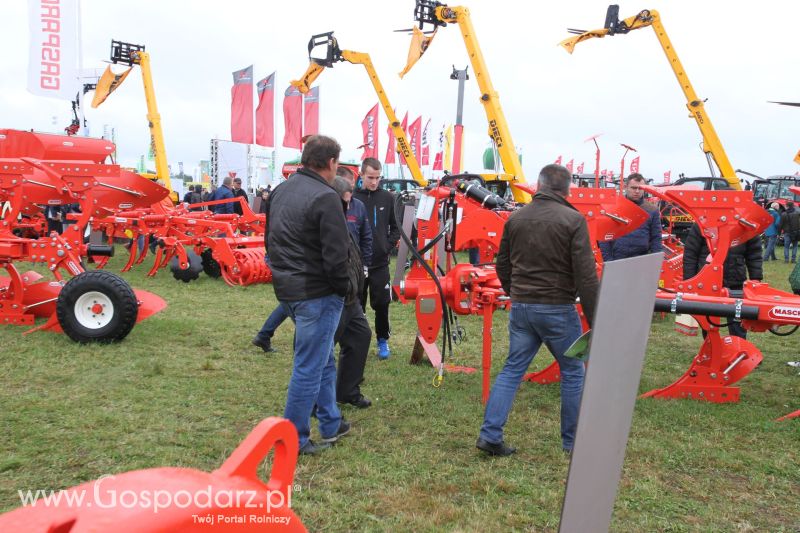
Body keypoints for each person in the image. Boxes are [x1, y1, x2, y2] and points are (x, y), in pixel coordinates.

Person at [477, 164, 599, 457]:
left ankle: (490, 434)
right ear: (567, 189)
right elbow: (586, 276)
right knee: (573, 371)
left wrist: (515, 291)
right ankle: (572, 443)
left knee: (511, 369)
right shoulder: (573, 219)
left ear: (539, 186)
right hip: (557, 308)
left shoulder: (516, 218)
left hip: (521, 307)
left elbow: (502, 265)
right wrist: (597, 320)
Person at [265, 134, 351, 455]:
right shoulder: (326, 197)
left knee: (322, 357)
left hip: (289, 288)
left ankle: (330, 421)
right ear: (330, 163)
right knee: (309, 366)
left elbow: (268, 242)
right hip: (316, 292)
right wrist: (343, 290)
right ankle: (294, 438)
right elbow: (336, 256)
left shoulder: (281, 191)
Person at [331, 175, 373, 408]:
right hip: (334, 295)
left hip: (351, 294)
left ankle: (347, 390)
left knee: (360, 335)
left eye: (349, 201)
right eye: (344, 202)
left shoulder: (354, 210)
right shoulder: (326, 217)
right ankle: (320, 401)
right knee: (325, 350)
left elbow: (362, 241)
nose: (348, 207)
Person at [352, 157, 400, 360]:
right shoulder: (351, 197)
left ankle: (383, 340)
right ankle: (355, 342)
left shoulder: (388, 198)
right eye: (370, 177)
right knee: (356, 304)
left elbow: (396, 228)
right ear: (361, 175)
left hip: (380, 263)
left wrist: (386, 246)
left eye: (378, 178)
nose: (374, 182)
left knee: (382, 304)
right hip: (356, 263)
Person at [683, 222, 762, 339]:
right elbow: (691, 253)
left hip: (735, 280)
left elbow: (754, 254)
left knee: (738, 321)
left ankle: (738, 348)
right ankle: (711, 348)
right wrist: (689, 281)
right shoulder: (703, 222)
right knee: (708, 321)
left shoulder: (745, 223)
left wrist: (756, 279)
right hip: (708, 281)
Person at [599, 173, 663, 261]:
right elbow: (604, 237)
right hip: (617, 258)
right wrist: (608, 260)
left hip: (642, 259)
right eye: (633, 188)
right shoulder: (613, 208)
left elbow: (656, 238)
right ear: (626, 187)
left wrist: (656, 261)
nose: (637, 191)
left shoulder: (652, 210)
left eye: (640, 188)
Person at [337, 166, 372, 267]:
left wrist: (365, 264)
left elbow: (366, 237)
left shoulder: (359, 206)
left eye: (352, 187)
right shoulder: (327, 205)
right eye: (346, 186)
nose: (349, 191)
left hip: (354, 264)